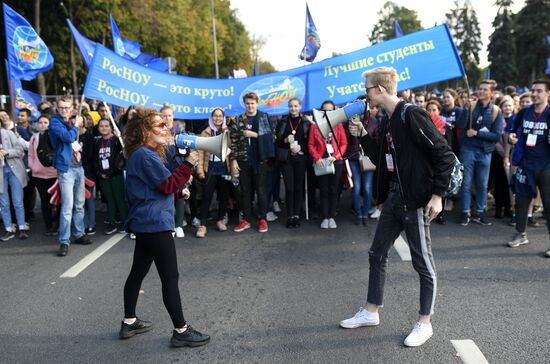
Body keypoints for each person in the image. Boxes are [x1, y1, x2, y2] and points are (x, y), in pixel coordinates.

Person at [340, 67, 454, 347]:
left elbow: (444, 154)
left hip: (416, 200)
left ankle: (424, 322)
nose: (365, 94)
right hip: (394, 198)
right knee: (376, 253)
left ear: (379, 90)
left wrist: (438, 195)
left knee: (423, 263)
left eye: (367, 89)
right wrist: (364, 134)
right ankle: (370, 311)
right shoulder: (390, 120)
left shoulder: (411, 114)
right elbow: (382, 158)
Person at [121, 107, 210, 347]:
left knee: (138, 272)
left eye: (165, 123)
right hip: (154, 224)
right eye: (160, 125)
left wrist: (180, 189)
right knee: (170, 277)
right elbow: (166, 185)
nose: (166, 127)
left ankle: (129, 322)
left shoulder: (144, 154)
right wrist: (189, 164)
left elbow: (158, 186)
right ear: (145, 131)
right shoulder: (145, 156)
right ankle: (181, 330)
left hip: (146, 222)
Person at [507, 80, 550, 257]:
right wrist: (511, 138)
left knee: (549, 205)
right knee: (521, 202)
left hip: (546, 167)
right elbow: (512, 131)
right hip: (526, 165)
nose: (534, 94)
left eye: (539, 91)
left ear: (548, 94)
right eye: (533, 90)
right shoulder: (524, 112)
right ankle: (521, 234)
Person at [455, 80, 504, 226]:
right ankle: (465, 212)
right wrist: (465, 109)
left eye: (484, 89)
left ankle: (480, 212)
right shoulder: (471, 106)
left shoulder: (496, 111)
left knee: (483, 185)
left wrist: (476, 133)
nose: (481, 91)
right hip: (468, 150)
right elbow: (461, 125)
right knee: (466, 183)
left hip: (485, 152)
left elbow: (496, 136)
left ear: (492, 93)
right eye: (480, 89)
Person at [49, 96, 92, 257]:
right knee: (67, 206)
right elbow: (67, 137)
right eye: (61, 107)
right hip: (66, 170)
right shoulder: (55, 122)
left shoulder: (71, 121)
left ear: (72, 107)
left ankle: (79, 233)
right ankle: (64, 241)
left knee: (79, 204)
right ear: (57, 108)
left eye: (67, 107)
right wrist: (76, 125)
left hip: (78, 168)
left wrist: (77, 124)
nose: (64, 110)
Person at [228, 92, 275, 233]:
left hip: (260, 159)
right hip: (243, 159)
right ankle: (246, 219)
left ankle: (262, 219)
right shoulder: (239, 119)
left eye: (252, 103)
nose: (250, 106)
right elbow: (234, 140)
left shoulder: (263, 117)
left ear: (257, 103)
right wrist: (234, 159)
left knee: (261, 190)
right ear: (245, 104)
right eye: (248, 103)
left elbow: (270, 137)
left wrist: (254, 135)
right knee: (245, 191)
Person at [308, 101, 348, 229]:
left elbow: (343, 144)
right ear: (321, 111)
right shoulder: (315, 126)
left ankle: (332, 216)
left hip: (335, 161)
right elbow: (310, 144)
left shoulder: (339, 125)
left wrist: (335, 156)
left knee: (333, 190)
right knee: (324, 190)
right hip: (321, 162)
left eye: (330, 110)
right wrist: (317, 157)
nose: (327, 112)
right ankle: (325, 217)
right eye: (325, 110)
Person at [275, 98, 312, 228]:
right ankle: (290, 215)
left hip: (301, 159)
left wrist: (301, 147)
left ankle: (296, 215)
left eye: (296, 106)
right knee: (289, 188)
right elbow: (277, 142)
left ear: (300, 107)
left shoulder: (306, 122)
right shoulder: (283, 122)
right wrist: (285, 140)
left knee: (298, 187)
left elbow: (311, 143)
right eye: (291, 106)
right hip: (286, 160)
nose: (293, 108)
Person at [196, 108, 231, 237]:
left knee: (224, 195)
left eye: (220, 116)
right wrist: (200, 170)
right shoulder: (205, 133)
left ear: (223, 118)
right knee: (207, 196)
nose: (217, 118)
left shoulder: (227, 132)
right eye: (215, 116)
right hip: (210, 167)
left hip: (223, 167)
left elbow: (231, 152)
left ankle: (220, 220)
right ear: (211, 118)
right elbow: (200, 153)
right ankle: (202, 225)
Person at [94, 118, 127, 234]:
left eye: (106, 126)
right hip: (103, 176)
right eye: (101, 126)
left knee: (119, 199)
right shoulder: (97, 142)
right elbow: (94, 160)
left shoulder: (116, 141)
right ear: (98, 128)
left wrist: (120, 137)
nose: (104, 128)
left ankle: (124, 222)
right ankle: (112, 223)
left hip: (115, 175)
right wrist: (99, 173)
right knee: (110, 201)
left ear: (111, 128)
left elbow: (125, 152)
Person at [28, 115, 58, 236]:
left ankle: (57, 224)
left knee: (56, 201)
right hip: (38, 175)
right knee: (44, 201)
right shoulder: (34, 138)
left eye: (45, 122)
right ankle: (49, 226)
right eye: (40, 122)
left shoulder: (53, 137)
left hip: (53, 174)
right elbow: (30, 154)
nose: (42, 124)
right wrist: (32, 166)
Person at [0, 114, 29, 240]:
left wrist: (7, 152)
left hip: (14, 169)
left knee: (17, 200)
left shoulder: (8, 133)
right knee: (3, 203)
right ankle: (8, 229)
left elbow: (20, 150)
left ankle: (22, 227)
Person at [345, 111, 374, 226]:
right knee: (356, 187)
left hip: (368, 158)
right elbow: (347, 140)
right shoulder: (350, 121)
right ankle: (358, 214)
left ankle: (365, 214)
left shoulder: (375, 122)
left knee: (367, 188)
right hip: (354, 157)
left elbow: (376, 140)